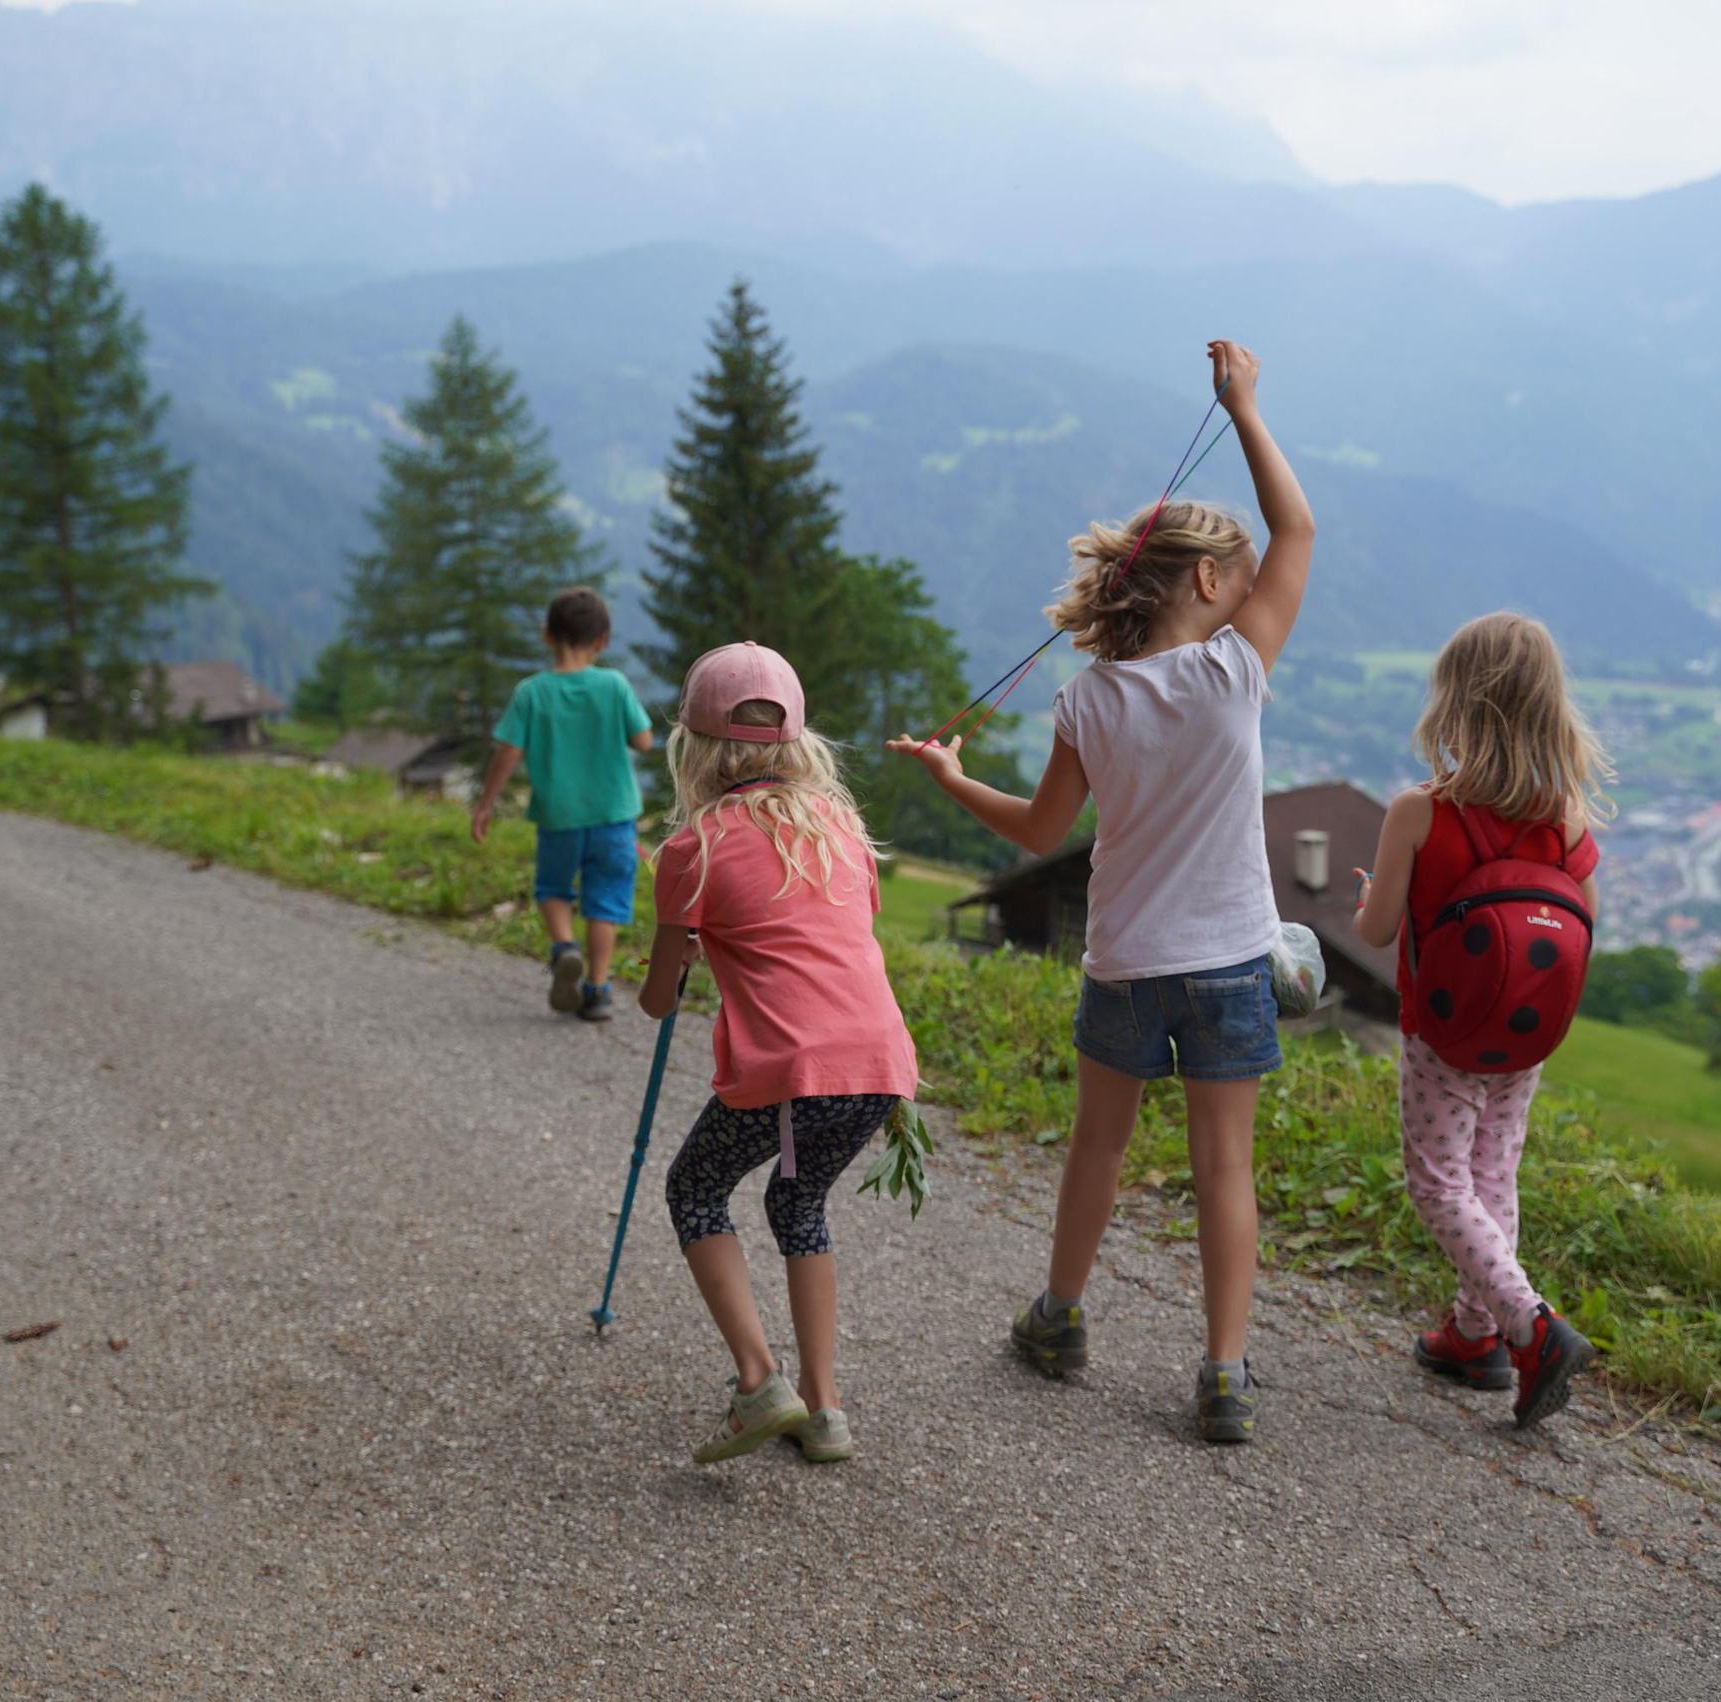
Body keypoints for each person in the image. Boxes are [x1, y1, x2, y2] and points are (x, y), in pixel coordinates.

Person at [891, 339, 1314, 1444]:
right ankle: (1223, 1372)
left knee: (1098, 1146)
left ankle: (1060, 1318)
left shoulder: (1086, 701)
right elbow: (1300, 531)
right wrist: (1245, 407)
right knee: (1224, 1165)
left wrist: (952, 778)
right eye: (1239, 577)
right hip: (1229, 964)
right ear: (1211, 584)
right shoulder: (1234, 672)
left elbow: (1041, 832)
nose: (1251, 590)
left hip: (1124, 963)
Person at [638, 642, 919, 1466]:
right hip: (879, 1066)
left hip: (793, 1069)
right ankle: (825, 1411)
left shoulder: (692, 852)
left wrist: (685, 951)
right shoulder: (843, 829)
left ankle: (761, 1381)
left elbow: (657, 1001)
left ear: (693, 746)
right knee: (800, 1205)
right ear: (798, 742)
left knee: (695, 1188)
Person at [1350, 612, 1612, 1430]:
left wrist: (1370, 896)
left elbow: (1376, 931)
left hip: (1441, 1034)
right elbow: (1586, 930)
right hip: (1524, 1037)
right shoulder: (1568, 823)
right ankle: (1474, 1335)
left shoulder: (1421, 812)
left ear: (1456, 704)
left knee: (1438, 1181)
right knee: (1494, 1173)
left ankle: (1530, 1325)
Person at [470, 587, 653, 1020]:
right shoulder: (614, 684)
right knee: (605, 902)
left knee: (552, 889)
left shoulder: (531, 692)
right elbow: (644, 742)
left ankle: (565, 947)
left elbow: (508, 752)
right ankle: (598, 990)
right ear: (602, 640)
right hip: (613, 817)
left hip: (558, 817)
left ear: (547, 634)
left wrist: (486, 805)